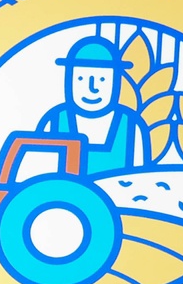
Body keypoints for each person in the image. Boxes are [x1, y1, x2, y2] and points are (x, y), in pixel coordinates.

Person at [27, 34, 146, 177]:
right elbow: (39, 174)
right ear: (69, 79)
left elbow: (140, 177)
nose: (92, 88)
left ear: (116, 81)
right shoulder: (55, 121)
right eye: (81, 78)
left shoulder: (130, 125)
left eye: (102, 79)